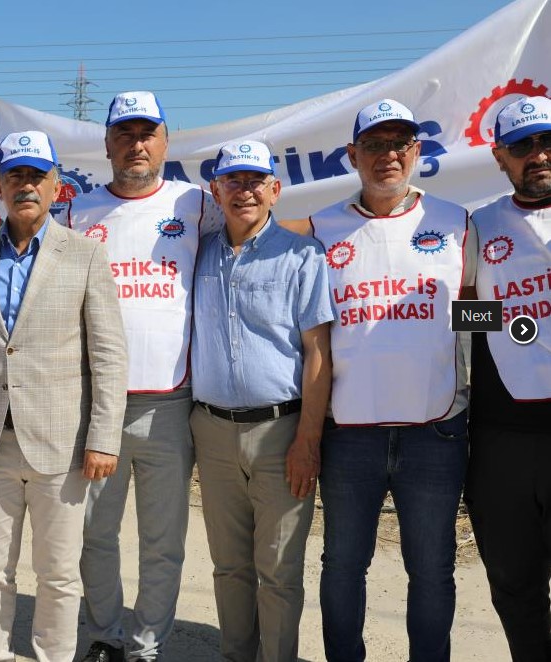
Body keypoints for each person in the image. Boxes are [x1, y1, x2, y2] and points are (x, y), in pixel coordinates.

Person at [300, 99, 474, 661]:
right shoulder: (322, 228)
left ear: (417, 152)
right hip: (350, 434)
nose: (388, 155)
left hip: (436, 430)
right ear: (352, 155)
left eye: (401, 143)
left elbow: (477, 311)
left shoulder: (455, 220)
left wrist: (526, 327)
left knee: (432, 569)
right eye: (374, 145)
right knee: (343, 564)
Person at [0, 129, 127, 662]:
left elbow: (108, 355)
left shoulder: (85, 256)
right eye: (17, 176)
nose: (27, 186)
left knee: (57, 572)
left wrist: (103, 438)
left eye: (38, 177)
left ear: (56, 187)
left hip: (61, 443)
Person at [68, 91, 214, 662]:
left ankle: (147, 646)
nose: (136, 144)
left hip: (169, 405)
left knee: (163, 542)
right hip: (96, 407)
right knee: (95, 536)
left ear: (165, 140)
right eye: (124, 134)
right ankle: (105, 635)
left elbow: (272, 221)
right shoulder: (78, 211)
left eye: (146, 133)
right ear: (107, 143)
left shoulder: (195, 203)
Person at [190, 140, 333, 661]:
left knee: (278, 570)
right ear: (216, 190)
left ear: (274, 190)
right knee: (229, 566)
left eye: (255, 181)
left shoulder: (302, 254)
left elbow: (318, 351)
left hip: (281, 432)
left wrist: (307, 439)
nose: (244, 190)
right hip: (211, 429)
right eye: (233, 180)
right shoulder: (198, 250)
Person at [463, 95, 551, 659]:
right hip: (503, 439)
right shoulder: (480, 224)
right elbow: (460, 313)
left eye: (546, 141)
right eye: (522, 146)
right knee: (514, 582)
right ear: (500, 157)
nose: (538, 154)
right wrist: (510, 318)